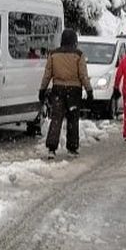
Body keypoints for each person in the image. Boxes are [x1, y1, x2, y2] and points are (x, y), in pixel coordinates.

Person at [39, 29, 93, 158]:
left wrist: (42, 89)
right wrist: (89, 90)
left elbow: (47, 74)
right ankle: (72, 147)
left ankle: (52, 147)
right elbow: (83, 75)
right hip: (74, 91)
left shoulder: (53, 54)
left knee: (56, 118)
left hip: (58, 89)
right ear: (74, 40)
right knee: (72, 119)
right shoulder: (79, 55)